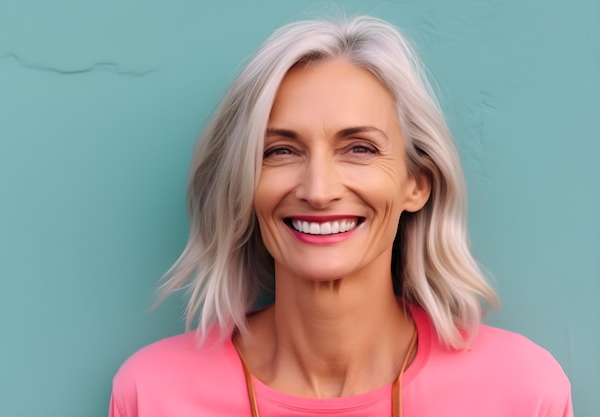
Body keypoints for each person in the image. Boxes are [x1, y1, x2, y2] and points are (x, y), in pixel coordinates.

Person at [108, 16, 572, 417]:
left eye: (359, 149)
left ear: (417, 183)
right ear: (244, 184)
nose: (318, 190)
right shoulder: (153, 393)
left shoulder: (520, 392)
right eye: (280, 150)